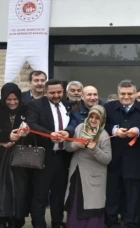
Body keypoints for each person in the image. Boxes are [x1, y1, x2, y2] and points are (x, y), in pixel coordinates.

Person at [104, 80, 140, 228]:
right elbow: (101, 125)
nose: (126, 96)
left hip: (136, 160)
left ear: (135, 94)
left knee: (133, 198)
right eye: (122, 94)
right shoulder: (108, 108)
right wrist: (115, 131)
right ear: (118, 93)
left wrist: (138, 130)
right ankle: (112, 224)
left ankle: (131, 224)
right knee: (112, 197)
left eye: (129, 93)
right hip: (113, 160)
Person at [26, 79, 74, 228]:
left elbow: (74, 122)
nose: (56, 95)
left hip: (63, 156)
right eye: (52, 92)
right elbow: (32, 124)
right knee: (40, 195)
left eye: (59, 92)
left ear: (63, 92)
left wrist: (68, 132)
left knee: (59, 195)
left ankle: (57, 223)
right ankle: (39, 224)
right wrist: (50, 134)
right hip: (44, 157)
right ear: (46, 92)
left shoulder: (67, 104)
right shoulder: (35, 105)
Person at [64, 105, 112, 228]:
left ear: (102, 120)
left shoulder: (104, 135)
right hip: (76, 174)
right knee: (75, 204)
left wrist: (95, 149)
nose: (93, 120)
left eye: (97, 118)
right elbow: (68, 147)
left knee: (91, 206)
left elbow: (107, 159)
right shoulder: (80, 128)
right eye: (91, 117)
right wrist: (77, 145)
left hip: (93, 178)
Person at [0, 83, 31, 228]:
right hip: (1, 159)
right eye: (9, 99)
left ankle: (17, 220)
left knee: (20, 190)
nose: (12, 102)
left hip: (21, 159)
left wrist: (24, 134)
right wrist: (4, 139)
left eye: (15, 99)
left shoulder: (26, 110)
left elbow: (34, 130)